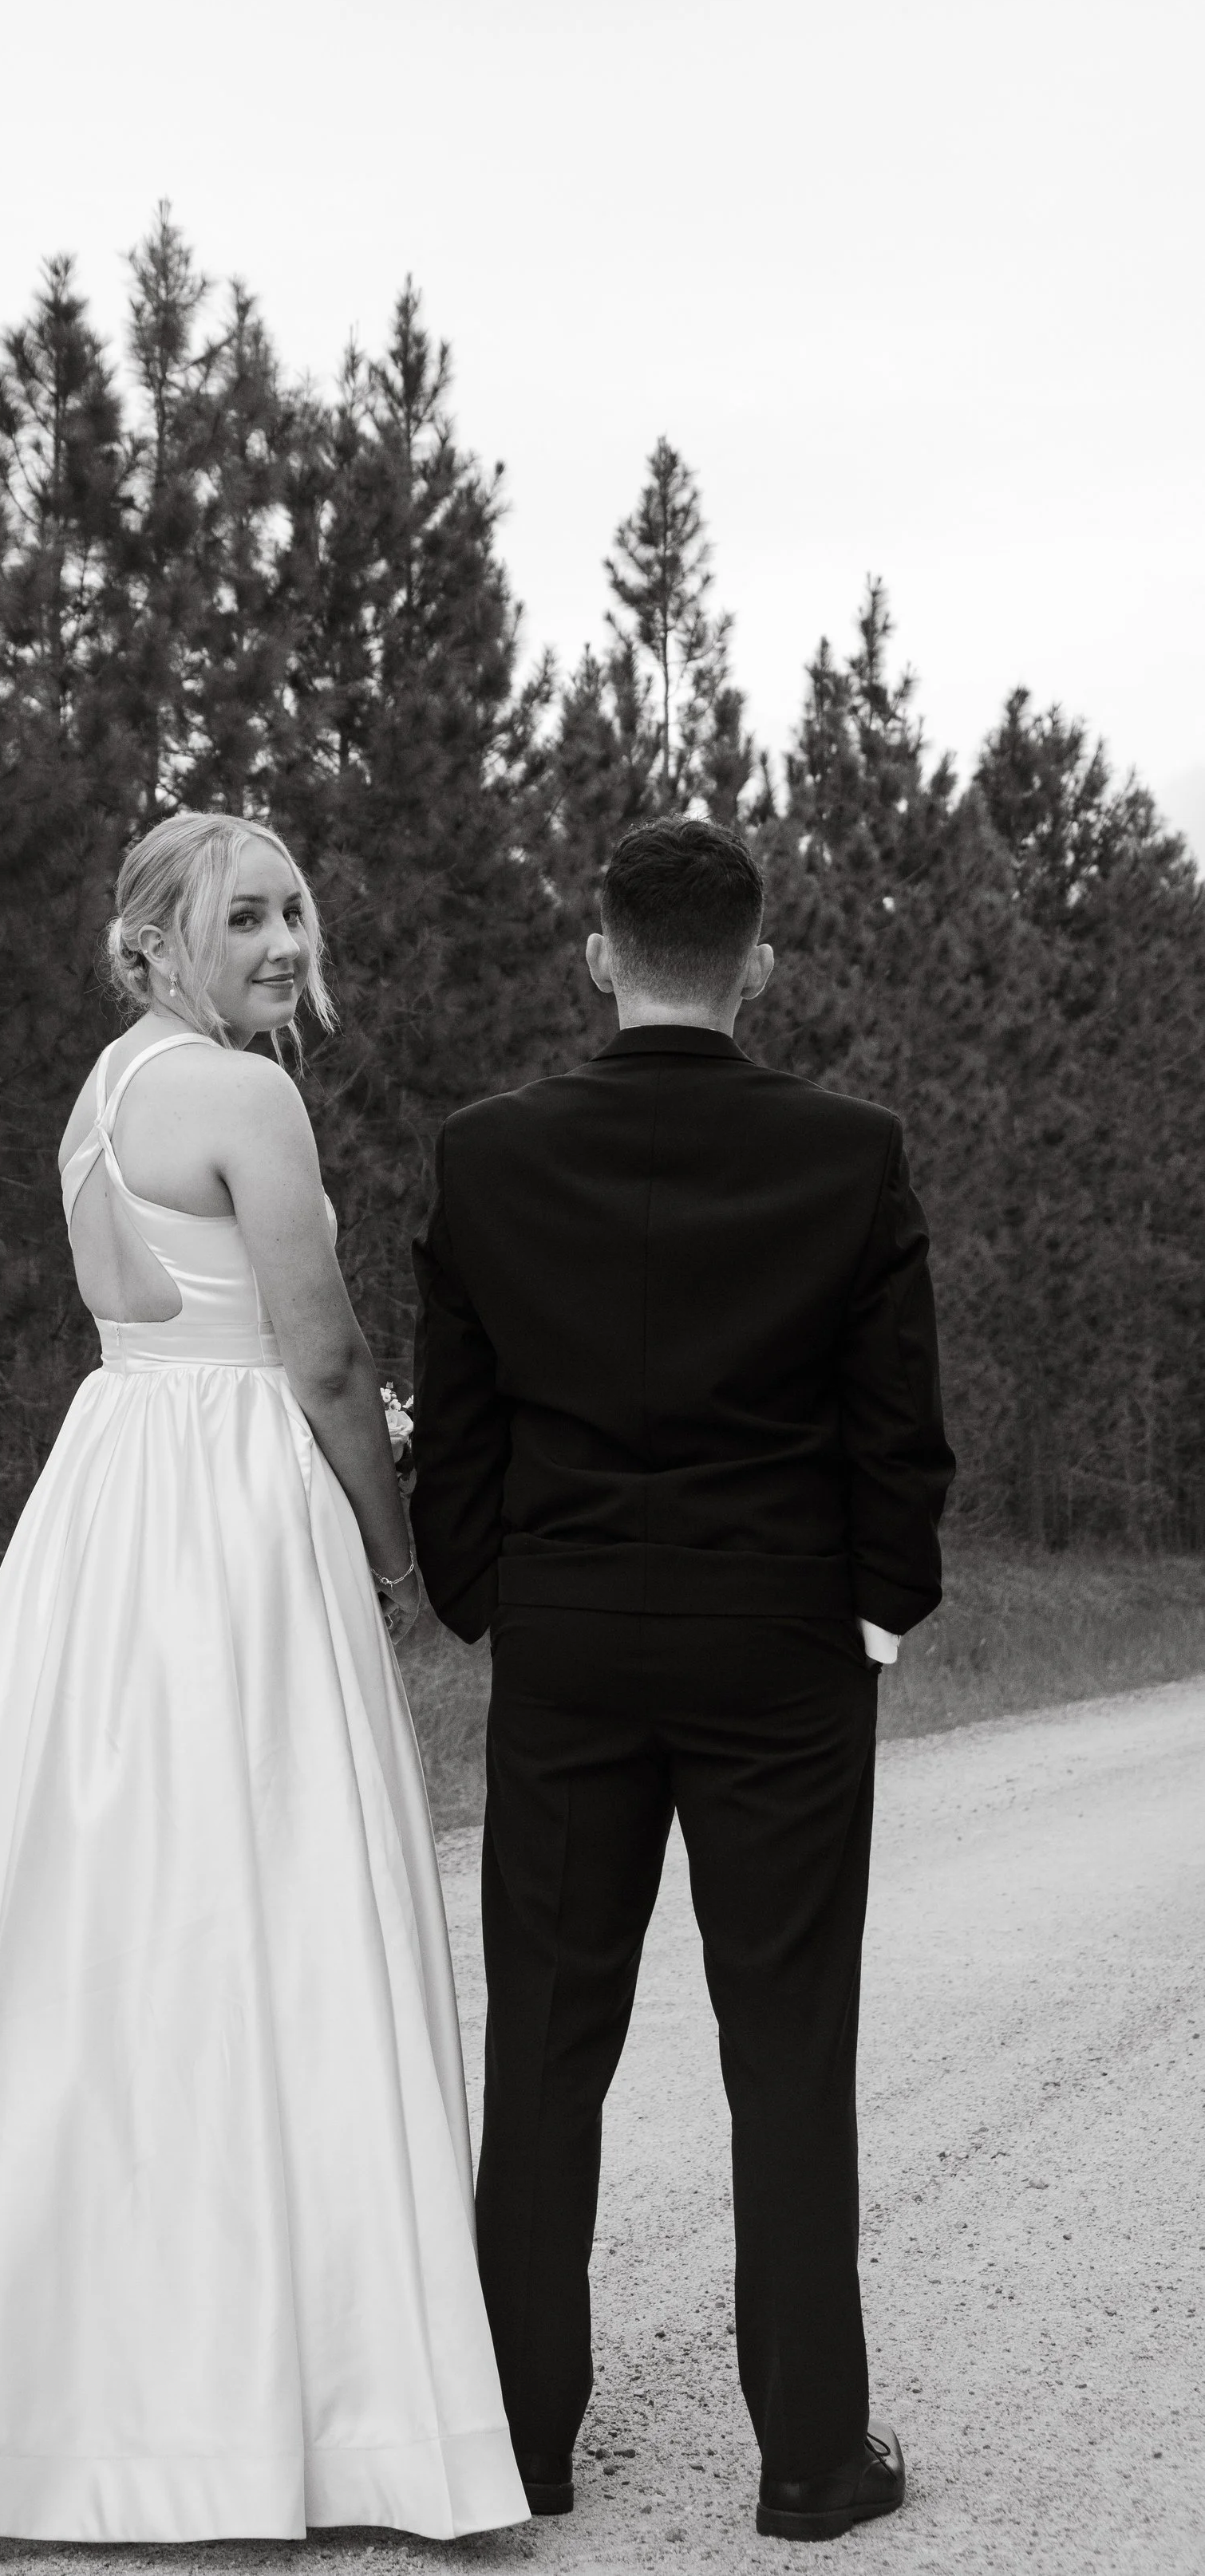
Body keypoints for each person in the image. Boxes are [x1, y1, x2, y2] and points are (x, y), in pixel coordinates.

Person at [0, 809, 527, 2543]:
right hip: (227, 1508)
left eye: (296, 906)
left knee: (72, 1920)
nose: (286, 941)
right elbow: (320, 1350)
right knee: (254, 1908)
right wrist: (396, 1547)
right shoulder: (246, 1095)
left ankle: (3, 2367)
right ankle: (279, 2399)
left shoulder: (102, 1093)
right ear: (156, 941)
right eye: (245, 917)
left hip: (110, 1494)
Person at [410, 815, 954, 2544]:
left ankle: (518, 2444)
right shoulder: (846, 1153)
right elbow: (899, 1435)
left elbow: (461, 1420)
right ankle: (807, 2460)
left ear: (595, 952)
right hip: (780, 1648)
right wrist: (872, 1613)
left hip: (569, 1639)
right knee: (785, 2046)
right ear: (758, 965)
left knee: (546, 2054)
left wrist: (489, 1592)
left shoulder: (485, 1153)